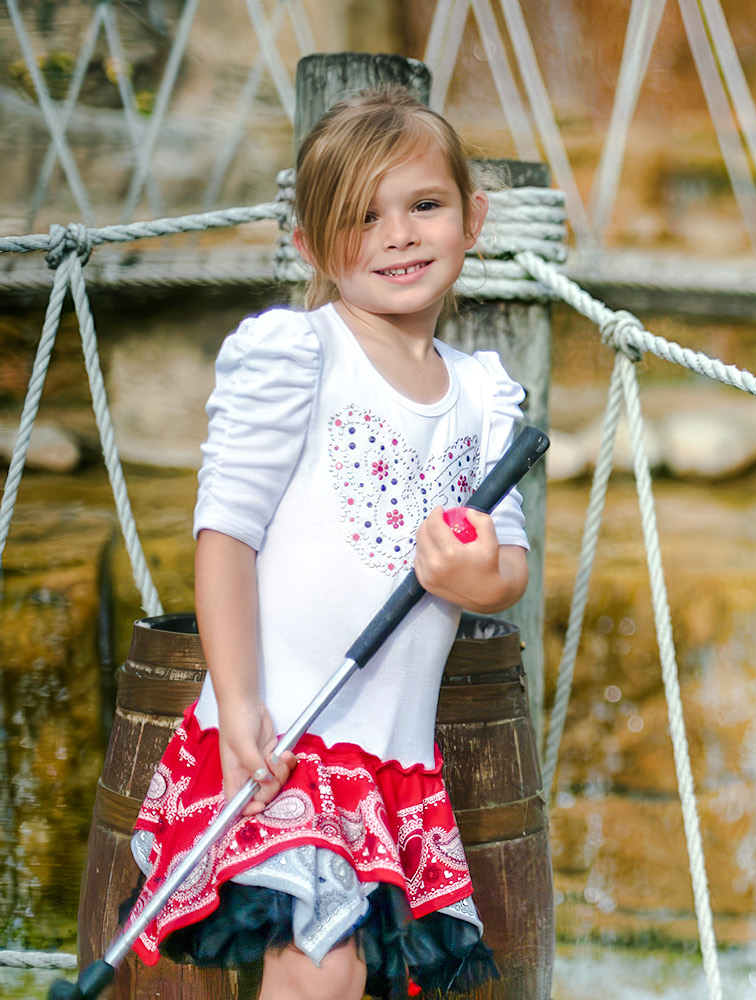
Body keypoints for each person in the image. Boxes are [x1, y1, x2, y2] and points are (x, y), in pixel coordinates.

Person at [122, 87, 529, 1000]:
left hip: (396, 763)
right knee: (321, 969)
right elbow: (226, 532)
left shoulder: (483, 395)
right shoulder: (300, 353)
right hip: (285, 737)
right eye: (361, 217)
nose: (399, 235)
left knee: (356, 980)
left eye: (424, 205)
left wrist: (478, 576)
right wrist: (237, 703)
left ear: (474, 218)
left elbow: (508, 567)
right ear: (309, 245)